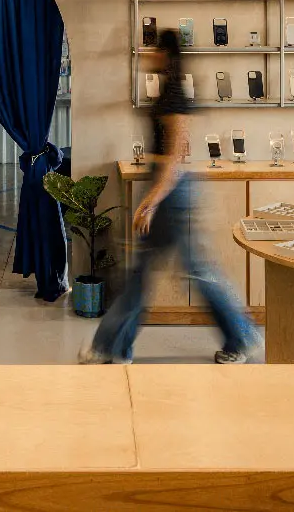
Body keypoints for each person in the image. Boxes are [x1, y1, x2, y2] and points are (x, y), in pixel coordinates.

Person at [80, 29, 261, 364]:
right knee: (149, 273)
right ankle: (113, 347)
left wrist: (151, 202)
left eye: (153, 48)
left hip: (173, 194)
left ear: (165, 53)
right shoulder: (168, 90)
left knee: (193, 272)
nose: (148, 54)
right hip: (169, 191)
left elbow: (175, 157)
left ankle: (242, 337)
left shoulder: (174, 94)